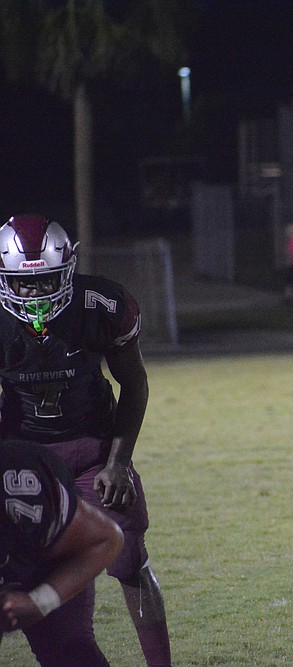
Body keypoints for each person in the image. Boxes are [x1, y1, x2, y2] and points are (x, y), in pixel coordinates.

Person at [0, 214, 172, 666]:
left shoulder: (100, 305)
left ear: (69, 268)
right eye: (24, 284)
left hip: (92, 451)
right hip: (25, 461)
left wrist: (118, 461)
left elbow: (134, 382)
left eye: (46, 280)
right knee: (34, 575)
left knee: (129, 557)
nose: (36, 294)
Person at [1, 439, 124, 666]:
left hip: (41, 559)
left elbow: (104, 539)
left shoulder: (22, 481)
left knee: (69, 649)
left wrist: (39, 602)